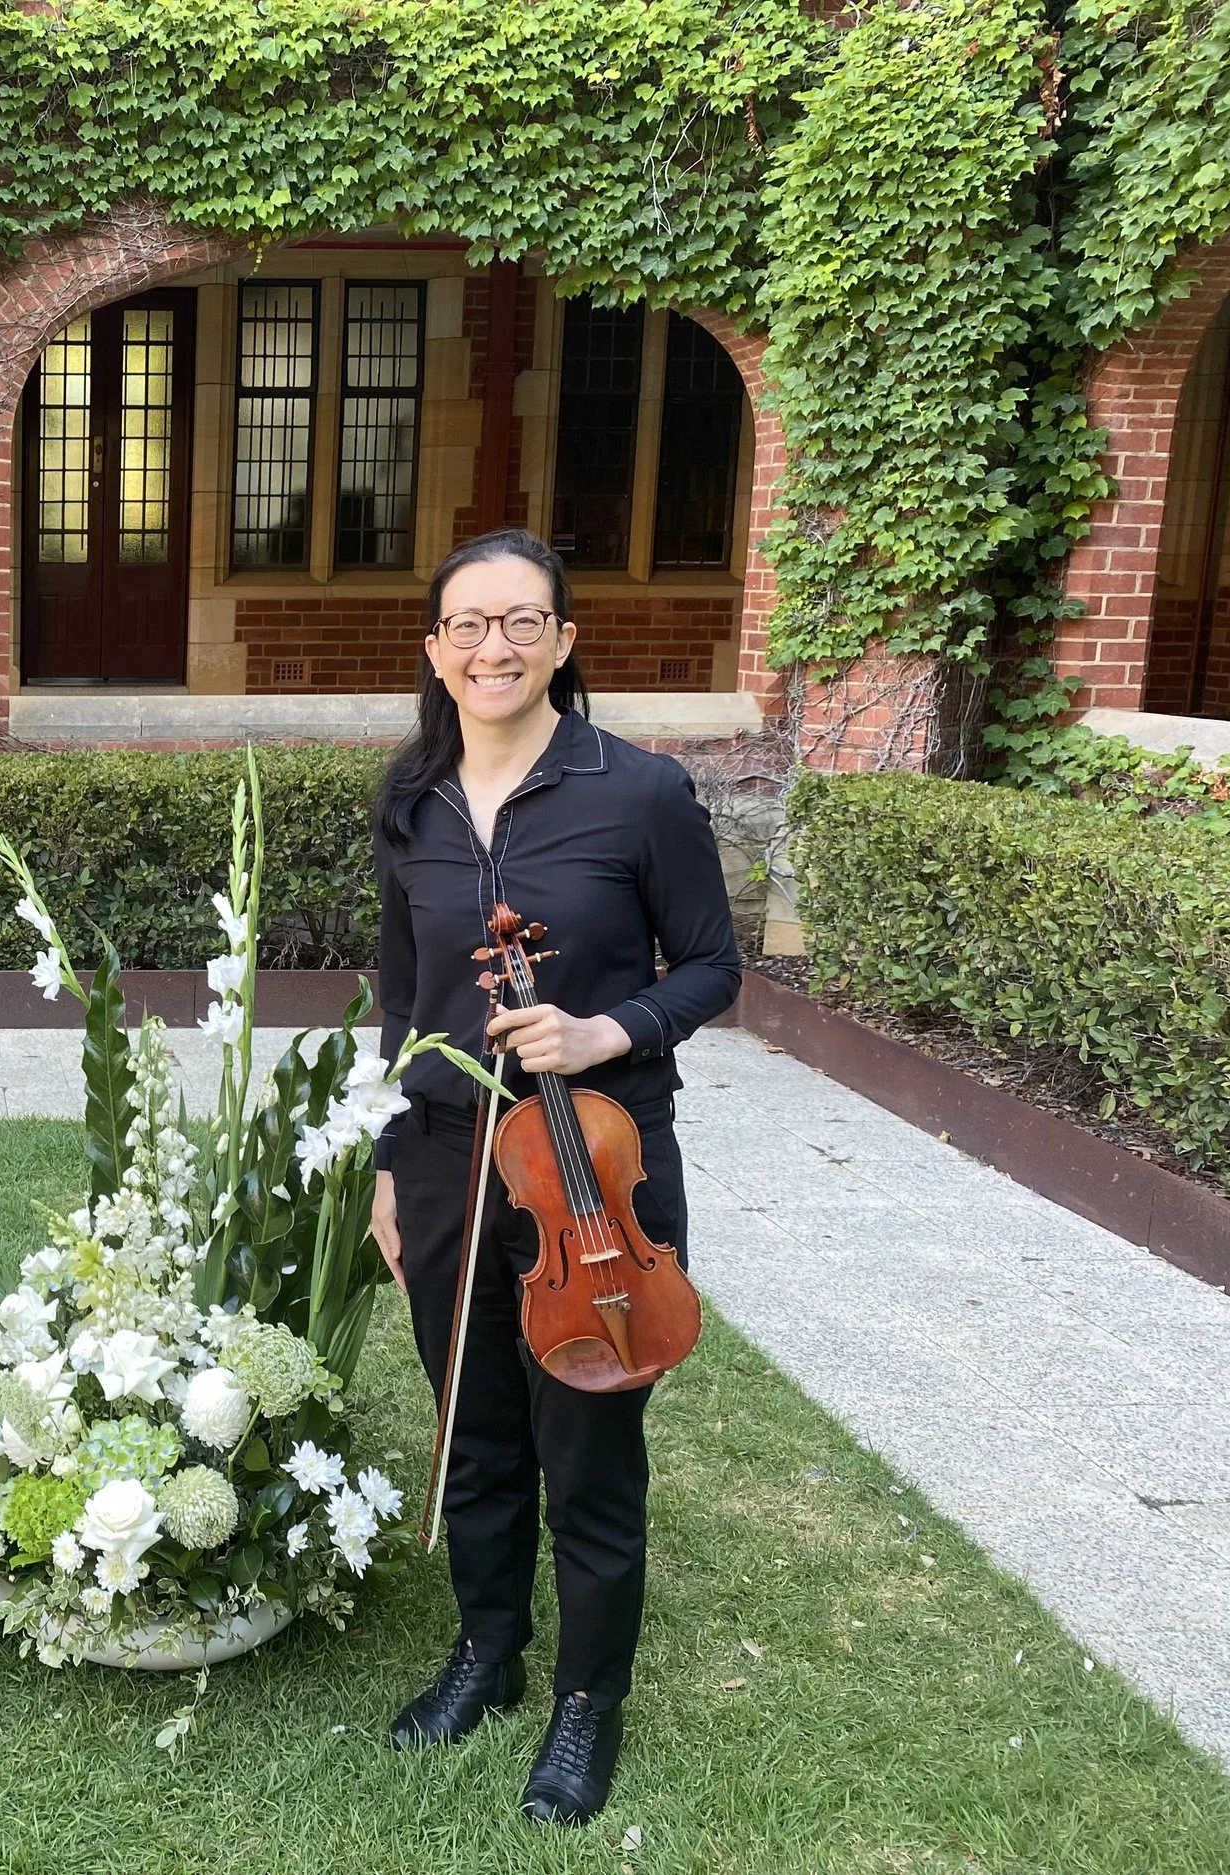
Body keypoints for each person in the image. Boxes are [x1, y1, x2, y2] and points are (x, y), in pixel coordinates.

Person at [368, 527, 739, 1823]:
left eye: (522, 621)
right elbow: (401, 998)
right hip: (445, 1163)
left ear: (564, 640)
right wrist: (387, 1162)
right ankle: (488, 1650)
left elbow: (712, 968)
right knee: (472, 1430)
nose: (495, 647)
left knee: (587, 1451)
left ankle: (587, 1701)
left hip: (596, 1177)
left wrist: (601, 1032)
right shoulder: (410, 800)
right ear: (434, 650)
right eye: (468, 625)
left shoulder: (639, 792)